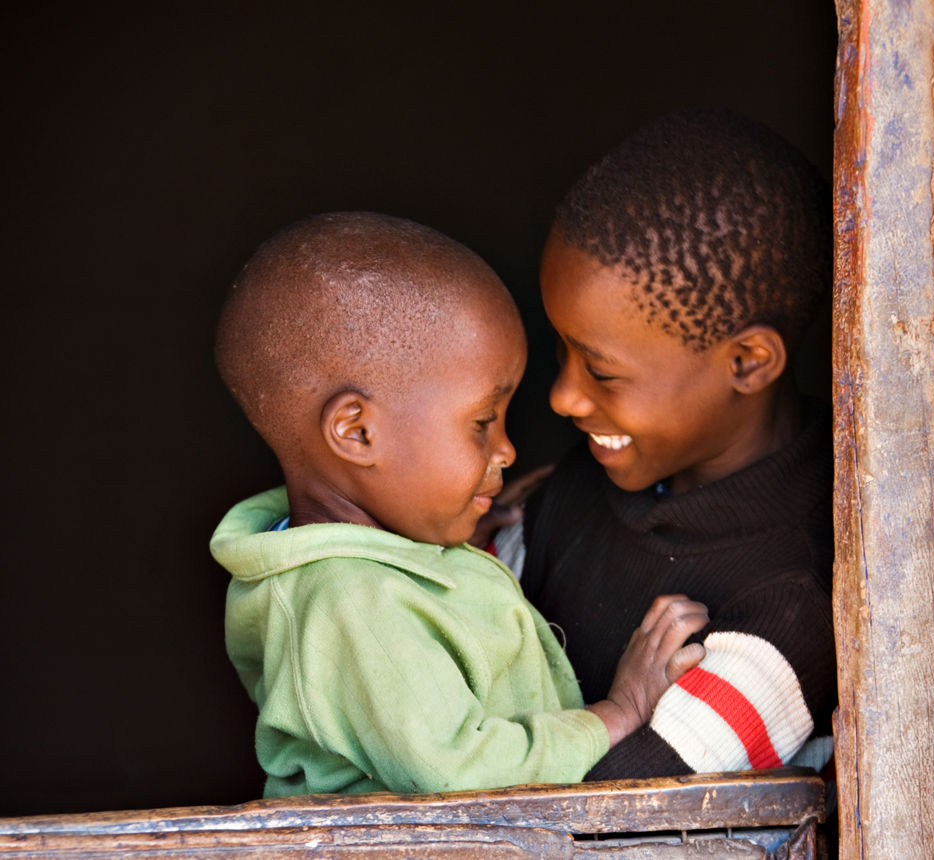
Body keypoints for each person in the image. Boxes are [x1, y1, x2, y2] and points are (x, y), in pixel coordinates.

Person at [210, 211, 707, 798]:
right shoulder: (350, 600)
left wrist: (447, 543)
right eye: (482, 422)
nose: (507, 449)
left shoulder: (368, 569)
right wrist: (618, 713)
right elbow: (456, 773)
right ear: (358, 432)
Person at [518, 110, 837, 780]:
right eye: (561, 350)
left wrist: (623, 708)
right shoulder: (575, 489)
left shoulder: (788, 604)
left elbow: (601, 820)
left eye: (600, 371)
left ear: (747, 362)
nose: (563, 398)